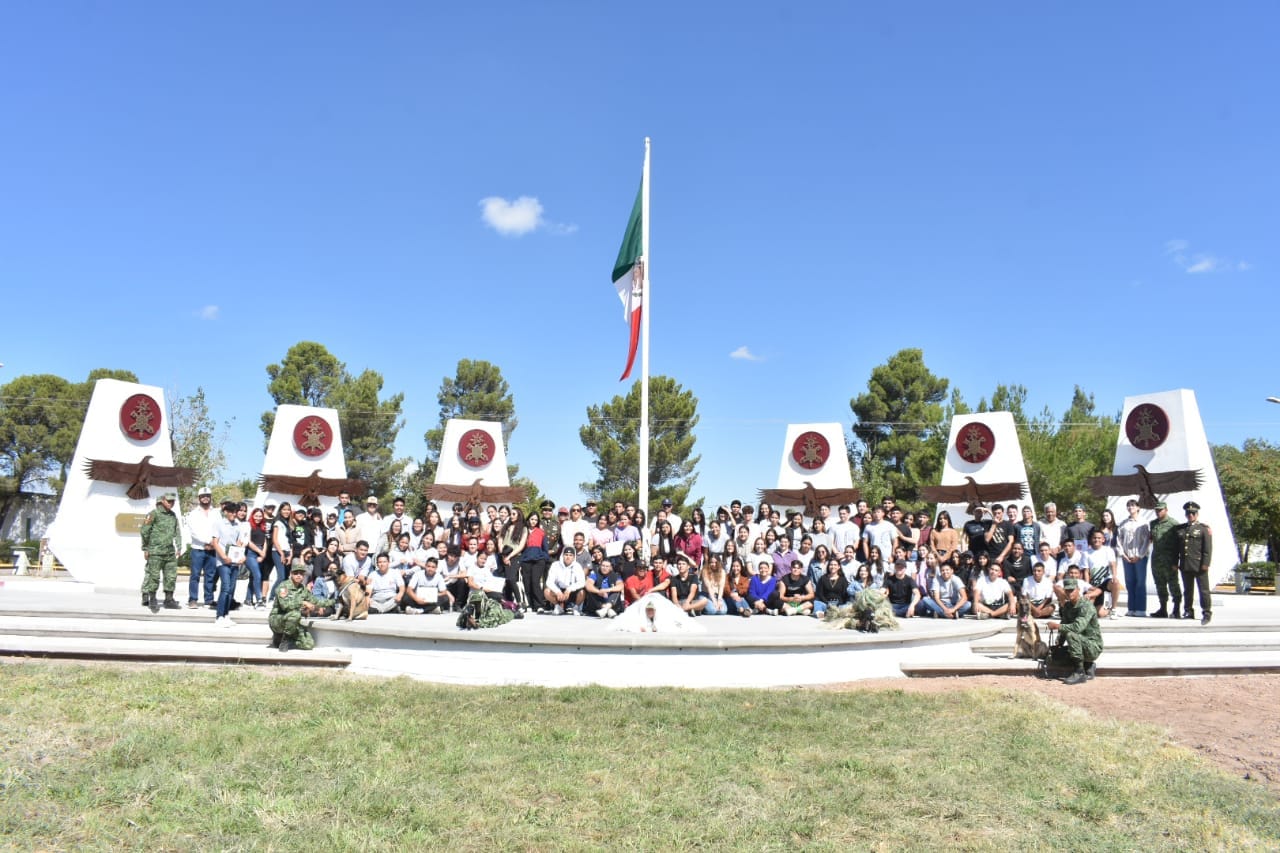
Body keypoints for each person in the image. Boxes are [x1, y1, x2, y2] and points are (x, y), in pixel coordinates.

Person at [268, 563, 334, 652]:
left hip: (292, 621)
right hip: (278, 619)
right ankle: (284, 640)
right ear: (291, 574)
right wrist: (303, 602)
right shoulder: (283, 587)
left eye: (301, 573)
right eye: (296, 573)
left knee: (308, 644)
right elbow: (285, 605)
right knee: (295, 614)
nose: (299, 575)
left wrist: (334, 601)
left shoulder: (303, 589)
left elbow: (316, 601)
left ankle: (284, 638)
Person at [1048, 577, 1103, 684]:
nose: (1069, 593)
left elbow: (1077, 628)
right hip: (1079, 643)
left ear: (1078, 589)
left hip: (1092, 646)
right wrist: (1059, 644)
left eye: (1072, 590)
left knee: (1071, 634)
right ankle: (1088, 665)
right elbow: (1064, 624)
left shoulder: (1086, 606)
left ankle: (1080, 672)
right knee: (1056, 658)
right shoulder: (1067, 606)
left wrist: (1056, 626)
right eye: (1067, 590)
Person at [139, 492, 182, 612]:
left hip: (169, 552)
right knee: (154, 577)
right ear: (163, 500)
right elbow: (144, 531)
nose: (171, 503)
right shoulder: (154, 514)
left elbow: (177, 532)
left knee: (171, 576)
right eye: (169, 501)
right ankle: (152, 598)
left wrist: (179, 546)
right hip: (156, 552)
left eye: (173, 501)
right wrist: (146, 548)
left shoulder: (173, 516)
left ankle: (169, 599)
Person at [1176, 501, 1214, 625]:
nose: (1190, 515)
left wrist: (1206, 563)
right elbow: (1177, 549)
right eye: (1188, 513)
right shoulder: (1181, 529)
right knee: (1188, 589)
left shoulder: (1203, 529)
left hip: (1199, 565)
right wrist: (1176, 563)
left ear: (1197, 514)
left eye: (1192, 513)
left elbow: (1207, 549)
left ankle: (1206, 612)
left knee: (1204, 590)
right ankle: (1188, 610)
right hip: (1185, 564)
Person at [210, 500, 245, 627]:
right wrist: (224, 557)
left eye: (235, 512)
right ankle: (219, 616)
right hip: (222, 561)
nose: (234, 514)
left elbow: (239, 542)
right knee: (225, 587)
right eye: (231, 512)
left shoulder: (238, 525)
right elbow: (215, 542)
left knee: (231, 589)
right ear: (225, 512)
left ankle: (226, 614)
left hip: (234, 561)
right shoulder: (218, 524)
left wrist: (241, 556)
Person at [1115, 499, 1152, 617]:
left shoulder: (1144, 522)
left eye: (1133, 505)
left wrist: (1139, 555)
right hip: (1127, 557)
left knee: (1140, 582)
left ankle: (1140, 609)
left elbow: (1147, 541)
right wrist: (1123, 554)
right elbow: (1118, 540)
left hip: (1140, 557)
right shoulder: (1123, 523)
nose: (1131, 508)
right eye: (1129, 506)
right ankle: (1131, 608)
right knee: (1130, 582)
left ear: (1138, 508)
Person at [1148, 501, 1183, 618]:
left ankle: (1176, 608)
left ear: (1166, 510)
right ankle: (1163, 609)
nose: (1158, 512)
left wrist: (1176, 561)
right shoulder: (1153, 524)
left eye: (1160, 510)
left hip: (1169, 560)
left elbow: (1179, 544)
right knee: (1159, 584)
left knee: (1173, 584)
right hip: (1156, 559)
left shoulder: (1173, 524)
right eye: (1156, 510)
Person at [185, 486, 218, 608]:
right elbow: (194, 531)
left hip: (213, 550)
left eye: (207, 496)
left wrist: (213, 543)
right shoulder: (193, 514)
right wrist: (207, 542)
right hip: (198, 549)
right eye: (203, 496)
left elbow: (219, 529)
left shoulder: (217, 513)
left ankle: (209, 600)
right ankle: (193, 599)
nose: (205, 498)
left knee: (210, 575)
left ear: (210, 497)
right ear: (199, 498)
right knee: (195, 575)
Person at [1084, 529, 1119, 618]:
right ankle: (1107, 608)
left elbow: (1113, 564)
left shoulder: (1108, 550)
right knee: (1099, 614)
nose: (1097, 540)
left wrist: (1114, 576)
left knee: (1116, 582)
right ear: (1091, 539)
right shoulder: (1086, 553)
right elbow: (1086, 571)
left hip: (1105, 582)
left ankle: (1114, 609)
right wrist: (1088, 586)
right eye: (1095, 538)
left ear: (1103, 539)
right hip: (1094, 584)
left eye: (1099, 538)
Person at [545, 545, 587, 614]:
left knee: (582, 592)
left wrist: (570, 589)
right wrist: (557, 591)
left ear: (574, 557)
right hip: (559, 591)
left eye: (570, 555)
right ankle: (558, 607)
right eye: (566, 555)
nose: (568, 557)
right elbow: (549, 582)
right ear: (562, 555)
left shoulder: (577, 566)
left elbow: (582, 582)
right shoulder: (555, 565)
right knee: (547, 591)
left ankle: (575, 608)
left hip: (571, 591)